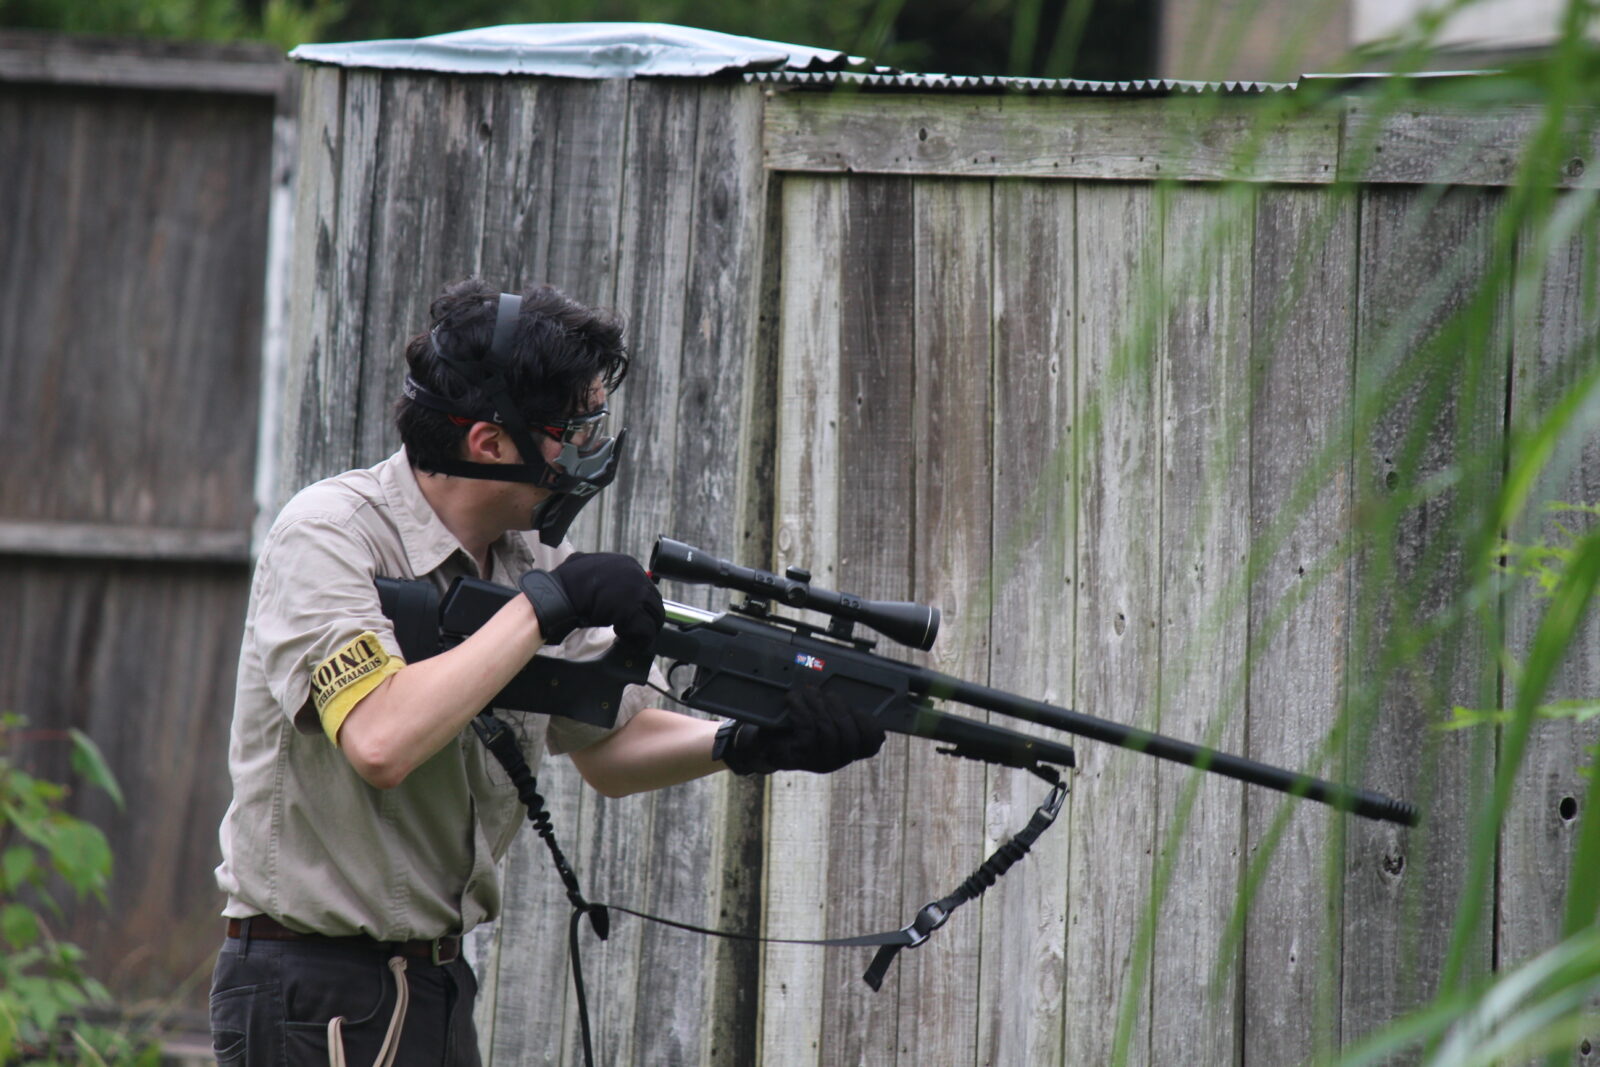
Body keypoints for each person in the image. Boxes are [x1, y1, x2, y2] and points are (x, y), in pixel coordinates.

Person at [209, 279, 884, 1066]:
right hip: (312, 988)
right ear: (490, 442)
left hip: (434, 981)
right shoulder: (329, 536)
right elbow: (380, 739)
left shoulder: (525, 556)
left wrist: (746, 742)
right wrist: (544, 607)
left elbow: (606, 746)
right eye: (575, 428)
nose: (592, 448)